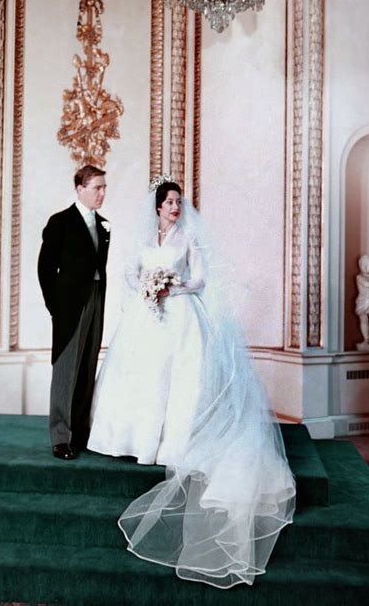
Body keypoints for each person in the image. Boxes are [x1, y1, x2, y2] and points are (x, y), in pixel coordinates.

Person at [87, 176, 295, 589]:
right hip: (147, 318)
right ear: (158, 207)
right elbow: (130, 271)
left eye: (179, 202)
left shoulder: (188, 238)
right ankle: (135, 441)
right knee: (141, 378)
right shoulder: (145, 237)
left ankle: (173, 442)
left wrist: (173, 285)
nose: (176, 207)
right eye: (170, 202)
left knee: (180, 380)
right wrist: (146, 286)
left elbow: (200, 279)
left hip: (180, 315)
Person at [38, 164, 109, 460]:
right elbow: (45, 268)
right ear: (80, 189)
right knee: (66, 370)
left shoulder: (104, 224)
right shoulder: (60, 222)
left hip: (95, 299)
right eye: (97, 188)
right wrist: (57, 307)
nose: (102, 194)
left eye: (104, 188)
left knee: (87, 365)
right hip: (69, 306)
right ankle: (60, 437)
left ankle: (79, 433)